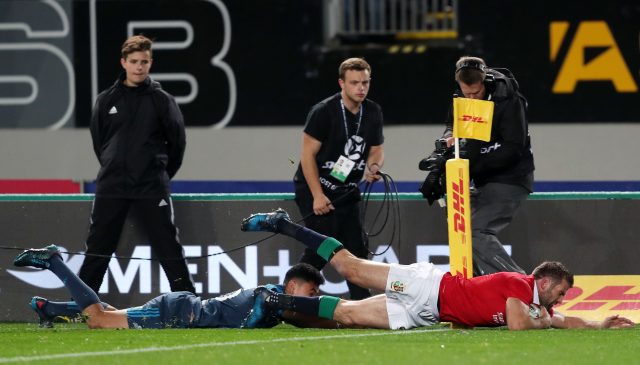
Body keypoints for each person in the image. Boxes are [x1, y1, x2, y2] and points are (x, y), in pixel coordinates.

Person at [240, 209, 635, 330]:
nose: (561, 300)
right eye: (560, 292)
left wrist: (601, 325)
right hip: (426, 284)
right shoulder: (521, 285)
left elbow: (566, 322)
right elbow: (520, 325)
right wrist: (548, 321)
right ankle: (283, 224)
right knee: (351, 268)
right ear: (544, 281)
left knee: (346, 314)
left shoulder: (538, 303)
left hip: (426, 312)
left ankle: (277, 302)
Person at [78, 35, 195, 294]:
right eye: (134, 61)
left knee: (168, 246)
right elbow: (101, 144)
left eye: (144, 61)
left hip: (151, 186)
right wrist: (115, 166)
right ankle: (81, 304)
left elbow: (177, 144)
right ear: (124, 62)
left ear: (151, 63)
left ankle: (189, 302)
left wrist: (157, 173)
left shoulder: (162, 101)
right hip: (112, 185)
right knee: (98, 247)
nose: (139, 67)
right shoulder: (106, 100)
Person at [14, 245, 330, 329]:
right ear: (291, 285)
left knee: (113, 314)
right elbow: (302, 312)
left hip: (183, 308)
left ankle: (50, 309)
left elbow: (301, 316)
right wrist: (338, 313)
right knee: (99, 319)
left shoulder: (278, 303)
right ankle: (54, 261)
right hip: (178, 313)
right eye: (312, 293)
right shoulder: (271, 297)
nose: (314, 299)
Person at [293, 57, 385, 300]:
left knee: (357, 250)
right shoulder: (323, 112)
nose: (361, 88)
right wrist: (317, 195)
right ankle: (290, 300)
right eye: (354, 82)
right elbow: (307, 156)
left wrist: (373, 166)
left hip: (347, 190)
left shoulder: (373, 111)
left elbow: (376, 148)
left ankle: (363, 304)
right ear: (341, 83)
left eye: (365, 82)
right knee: (322, 248)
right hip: (316, 188)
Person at [442, 56, 535, 276]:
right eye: (467, 93)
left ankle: (524, 287)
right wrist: (450, 137)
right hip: (481, 179)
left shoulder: (508, 99)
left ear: (484, 81)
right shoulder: (460, 96)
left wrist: (474, 164)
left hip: (511, 178)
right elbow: (451, 125)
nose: (472, 97)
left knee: (474, 232)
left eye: (476, 92)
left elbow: (514, 147)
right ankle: (477, 292)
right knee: (460, 231)